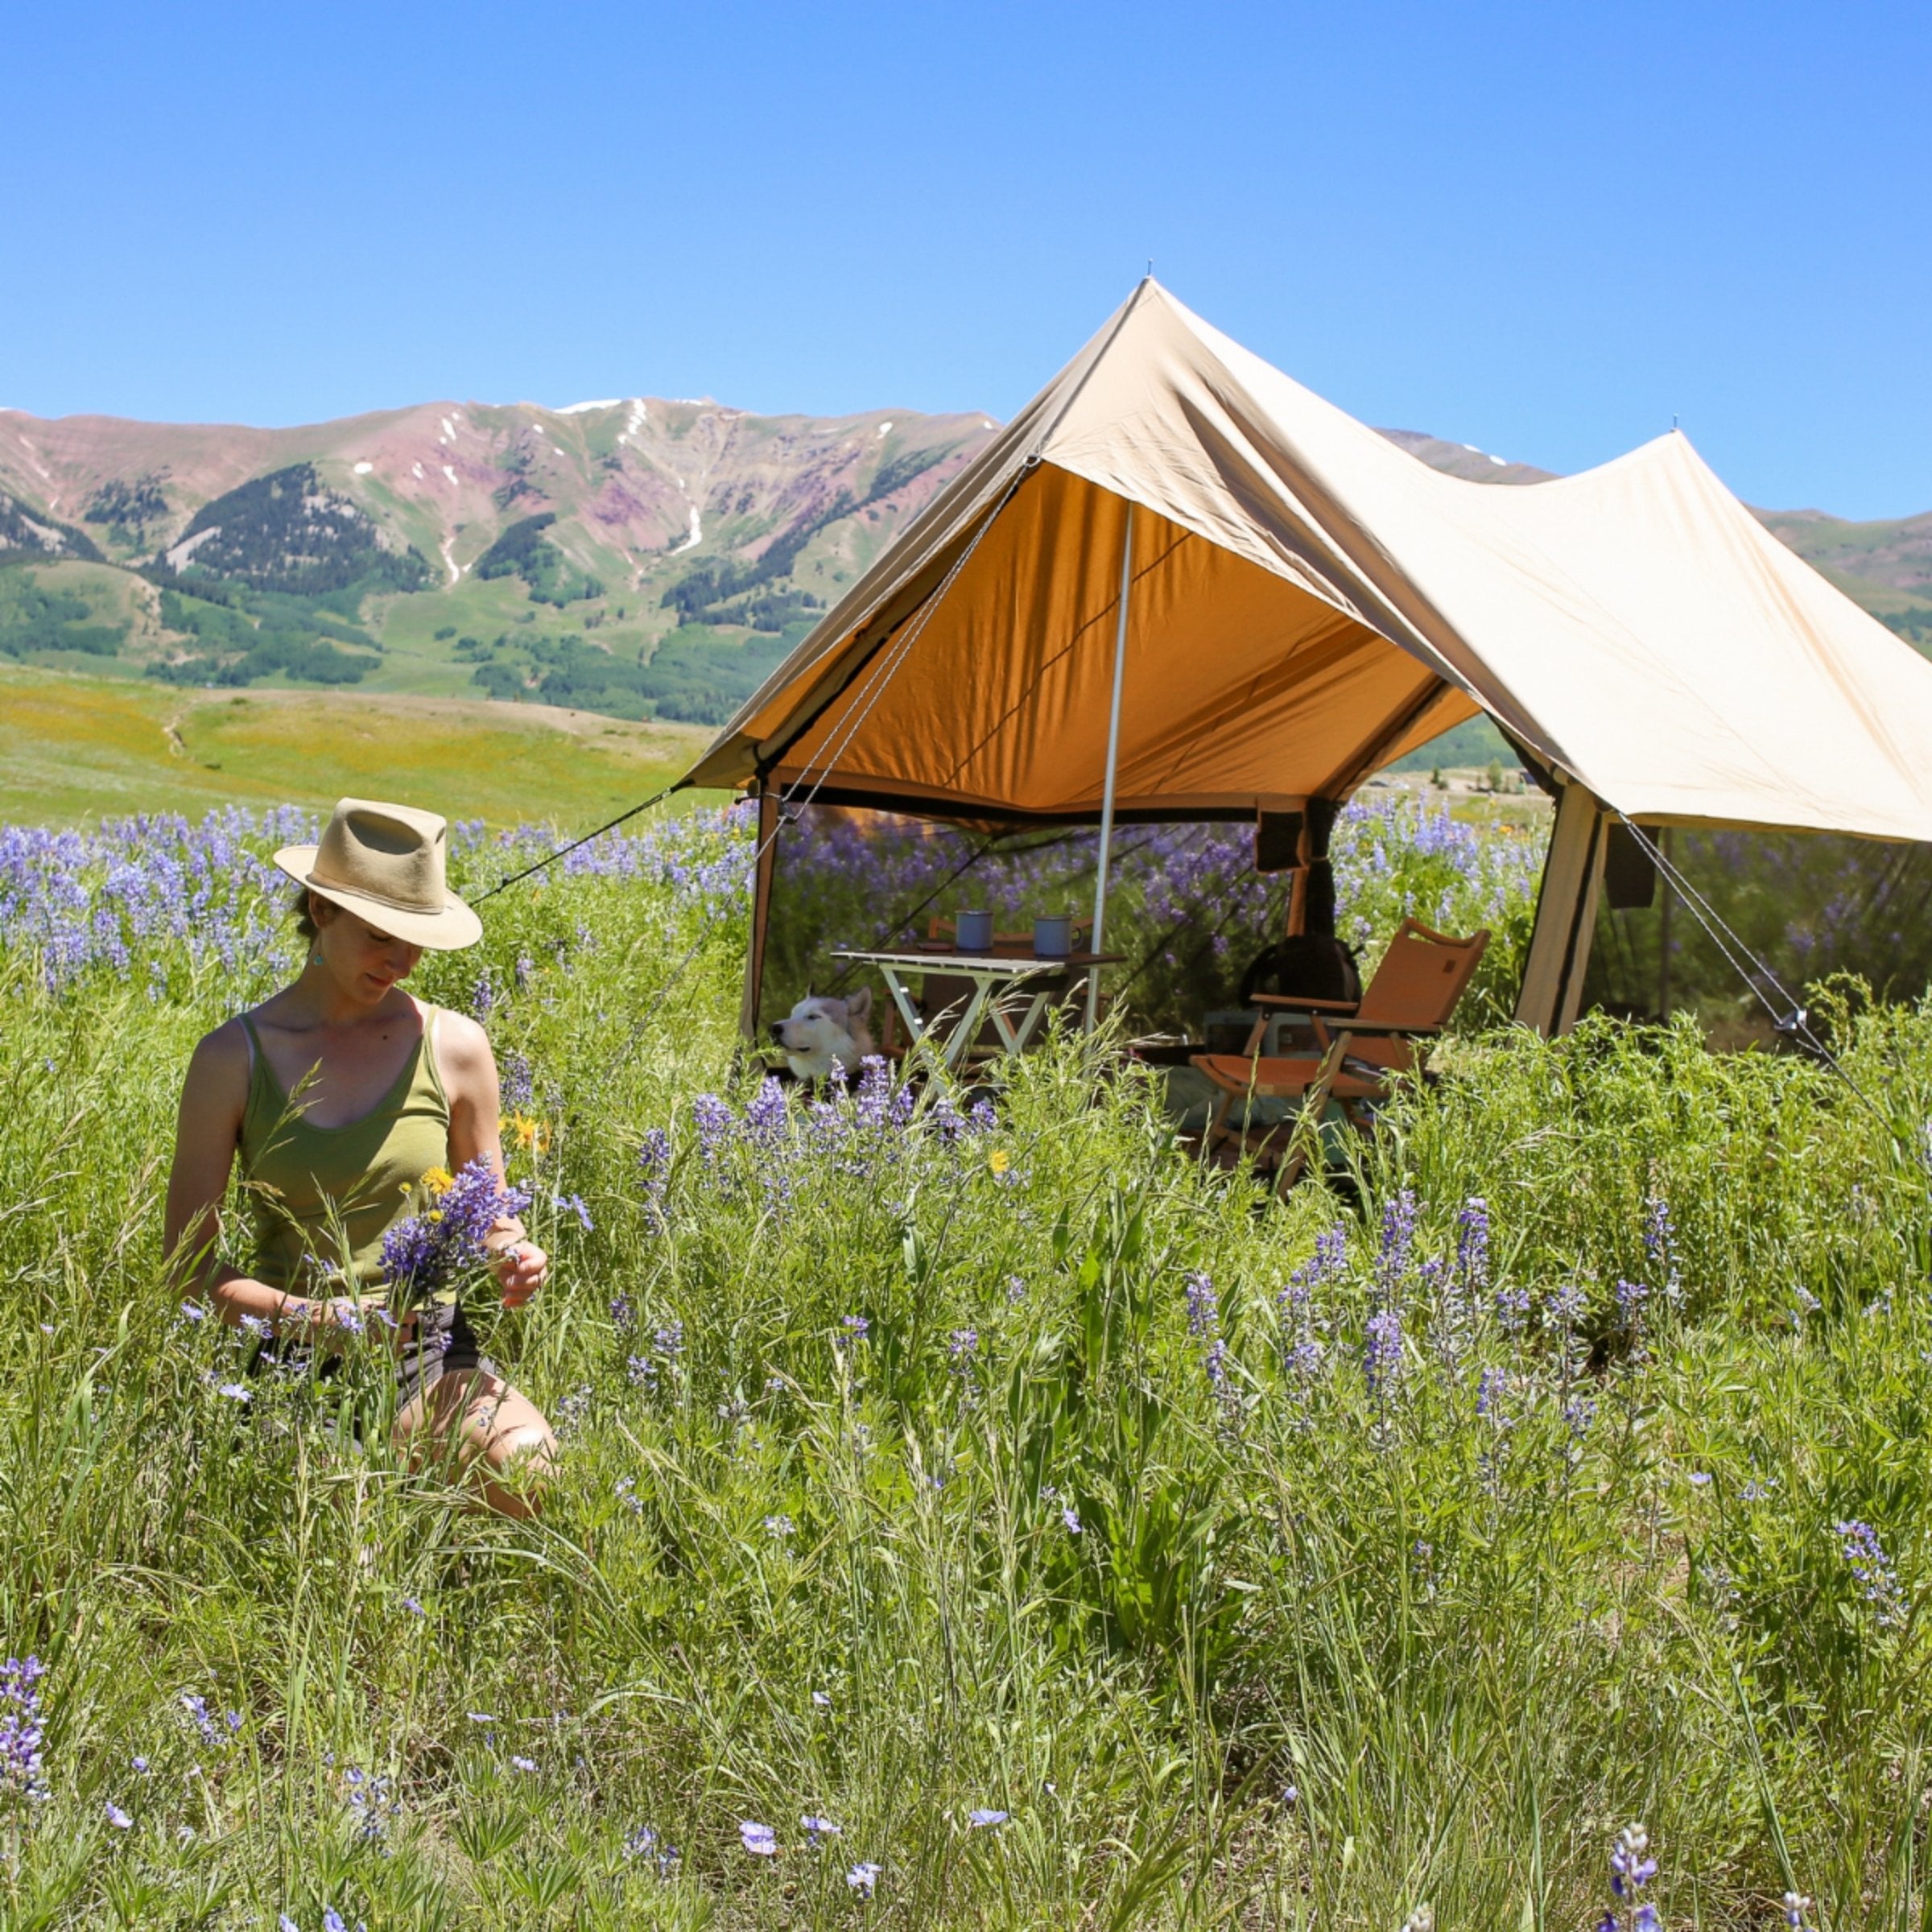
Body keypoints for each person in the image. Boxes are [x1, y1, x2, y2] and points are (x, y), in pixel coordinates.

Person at [163, 797, 556, 1517]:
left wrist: (513, 1248)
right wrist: (321, 1319)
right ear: (320, 911)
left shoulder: (456, 1045)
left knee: (529, 1467)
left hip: (427, 1347)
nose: (402, 962)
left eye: (416, 942)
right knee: (349, 1528)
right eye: (381, 936)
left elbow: (491, 1208)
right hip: (289, 1350)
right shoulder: (231, 1058)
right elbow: (188, 1269)